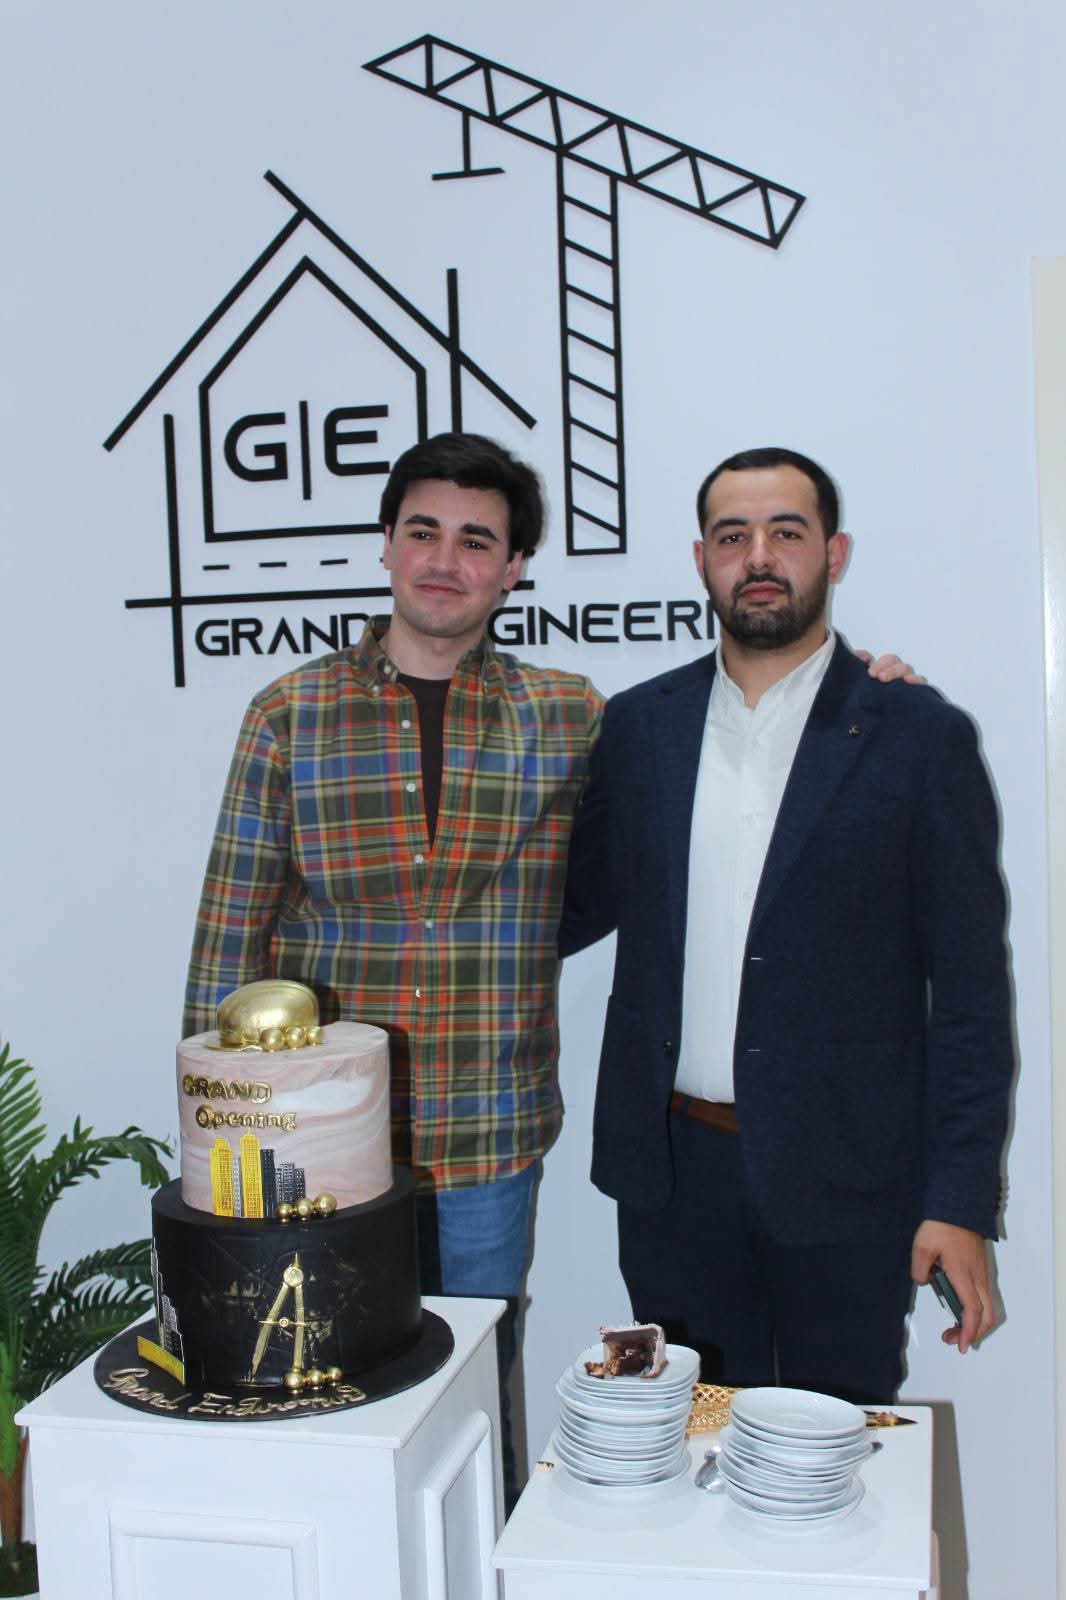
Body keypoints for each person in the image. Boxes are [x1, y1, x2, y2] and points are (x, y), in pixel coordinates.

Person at [183, 433, 603, 1507]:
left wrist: (861, 688)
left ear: (513, 567)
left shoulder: (568, 715)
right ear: (385, 544)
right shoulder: (289, 714)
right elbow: (230, 935)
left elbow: (696, 768)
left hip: (485, 1138)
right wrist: (217, 1140)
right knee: (323, 1405)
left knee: (470, 1404)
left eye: (477, 540)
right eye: (424, 531)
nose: (445, 560)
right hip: (314, 1148)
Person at [560, 446, 1013, 1403]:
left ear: (833, 554)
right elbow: (565, 908)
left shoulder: (916, 736)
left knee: (835, 1459)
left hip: (849, 1182)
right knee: (687, 1445)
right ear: (701, 561)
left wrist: (960, 1199)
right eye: (733, 537)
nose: (759, 557)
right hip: (672, 1180)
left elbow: (972, 995)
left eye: (786, 533)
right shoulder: (639, 727)